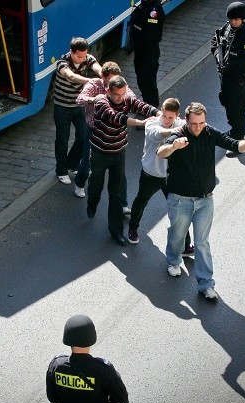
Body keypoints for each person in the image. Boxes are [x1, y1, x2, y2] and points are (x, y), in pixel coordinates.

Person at [157, 102, 245, 300]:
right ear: (186, 121)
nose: (198, 127)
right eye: (194, 124)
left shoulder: (209, 133)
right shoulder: (178, 135)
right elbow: (161, 153)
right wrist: (173, 146)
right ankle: (173, 260)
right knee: (178, 234)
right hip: (180, 199)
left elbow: (234, 145)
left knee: (202, 242)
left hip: (205, 200)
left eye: (201, 123)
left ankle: (206, 284)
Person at [88, 75, 159, 246]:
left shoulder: (127, 99)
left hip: (118, 153)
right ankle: (92, 202)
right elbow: (115, 117)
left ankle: (116, 232)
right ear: (108, 92)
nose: (120, 98)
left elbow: (141, 106)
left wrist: (158, 112)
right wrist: (140, 123)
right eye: (116, 95)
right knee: (96, 184)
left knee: (116, 192)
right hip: (99, 152)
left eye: (123, 94)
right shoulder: (101, 102)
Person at [127, 98, 193, 256]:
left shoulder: (181, 124)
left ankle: (185, 245)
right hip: (151, 174)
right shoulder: (152, 124)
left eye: (170, 117)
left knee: (179, 210)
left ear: (177, 116)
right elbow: (157, 134)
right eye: (164, 115)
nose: (166, 120)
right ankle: (133, 228)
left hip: (172, 176)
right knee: (141, 201)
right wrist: (175, 132)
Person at [75, 61, 137, 217]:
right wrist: (94, 99)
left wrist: (126, 98)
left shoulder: (120, 86)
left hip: (114, 133)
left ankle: (123, 204)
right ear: (103, 77)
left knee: (120, 174)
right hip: (94, 130)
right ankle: (80, 183)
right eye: (110, 81)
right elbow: (80, 99)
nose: (114, 86)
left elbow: (131, 95)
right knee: (87, 162)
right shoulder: (95, 84)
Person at [46, 314, 129, 403]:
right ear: (91, 337)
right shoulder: (104, 369)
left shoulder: (56, 365)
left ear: (67, 337)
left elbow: (52, 398)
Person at [54, 37, 102, 185]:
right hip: (62, 107)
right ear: (71, 52)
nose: (82, 59)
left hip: (79, 106)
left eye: (84, 56)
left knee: (83, 137)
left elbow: (97, 68)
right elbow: (71, 76)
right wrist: (91, 81)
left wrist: (103, 75)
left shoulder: (87, 58)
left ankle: (72, 163)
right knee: (62, 139)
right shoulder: (62, 62)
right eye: (78, 56)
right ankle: (61, 170)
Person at [211, 2, 245, 141]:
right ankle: (234, 129)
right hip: (225, 76)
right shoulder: (227, 28)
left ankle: (238, 136)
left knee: (236, 107)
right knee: (226, 101)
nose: (233, 22)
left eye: (236, 20)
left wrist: (230, 66)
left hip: (237, 78)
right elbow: (215, 41)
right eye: (231, 19)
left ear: (243, 19)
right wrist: (218, 56)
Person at [127, 0, 164, 108]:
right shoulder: (145, 5)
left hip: (148, 52)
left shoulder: (154, 12)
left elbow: (150, 35)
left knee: (148, 80)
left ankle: (152, 108)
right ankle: (147, 103)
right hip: (141, 50)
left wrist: (134, 44)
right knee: (141, 78)